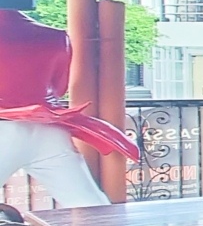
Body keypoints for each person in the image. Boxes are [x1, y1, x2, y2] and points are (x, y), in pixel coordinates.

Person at [0, 10, 140, 207]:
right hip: (48, 129)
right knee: (90, 207)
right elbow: (59, 87)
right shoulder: (56, 36)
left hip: (4, 128)